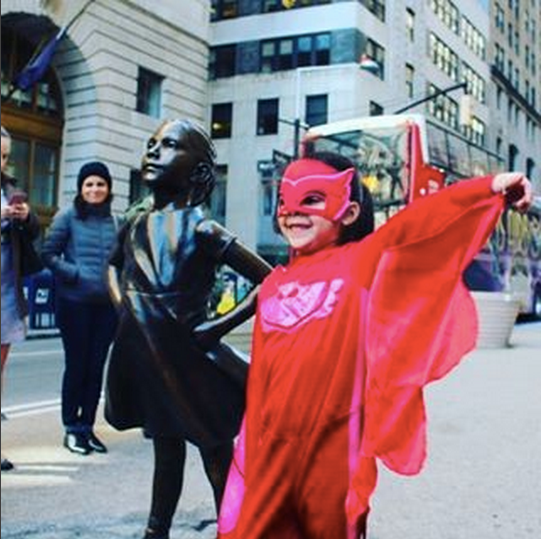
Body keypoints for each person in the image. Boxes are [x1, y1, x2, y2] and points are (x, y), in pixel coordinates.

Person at [216, 150, 533, 539]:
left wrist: (487, 188)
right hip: (271, 447)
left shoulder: (360, 262)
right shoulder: (272, 287)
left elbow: (416, 225)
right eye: (284, 201)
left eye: (311, 200)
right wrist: (248, 451)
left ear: (348, 213)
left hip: (333, 445)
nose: (292, 211)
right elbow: (260, 379)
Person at [104, 119, 272, 539]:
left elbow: (271, 281)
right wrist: (126, 306)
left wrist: (217, 327)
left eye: (169, 145)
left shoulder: (204, 229)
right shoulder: (135, 222)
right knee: (166, 448)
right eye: (151, 143)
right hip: (146, 353)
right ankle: (155, 529)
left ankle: (233, 529)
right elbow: (112, 266)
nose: (154, 151)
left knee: (216, 452)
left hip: (192, 360)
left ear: (198, 172)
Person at [42, 161, 120, 456]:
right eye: (89, 184)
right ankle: (71, 429)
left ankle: (87, 427)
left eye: (100, 184)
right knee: (76, 366)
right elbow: (47, 254)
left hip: (105, 308)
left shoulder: (116, 221)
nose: (95, 189)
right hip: (74, 304)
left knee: (95, 368)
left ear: (108, 188)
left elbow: (122, 260)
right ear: (81, 188)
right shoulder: (67, 217)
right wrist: (74, 274)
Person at [1, 126, 41, 472]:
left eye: (3, 155)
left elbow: (35, 231)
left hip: (5, 291)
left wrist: (26, 217)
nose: (0, 161)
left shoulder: (10, 189)